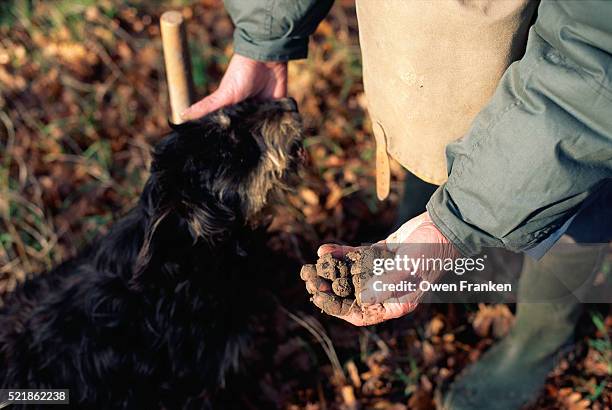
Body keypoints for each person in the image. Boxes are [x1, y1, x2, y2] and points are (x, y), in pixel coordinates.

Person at [181, 1, 612, 408]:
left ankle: (539, 340)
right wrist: (265, 35)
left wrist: (458, 223)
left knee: (576, 192)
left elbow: (593, 65)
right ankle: (427, 221)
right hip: (438, 44)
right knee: (435, 120)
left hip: (574, 103)